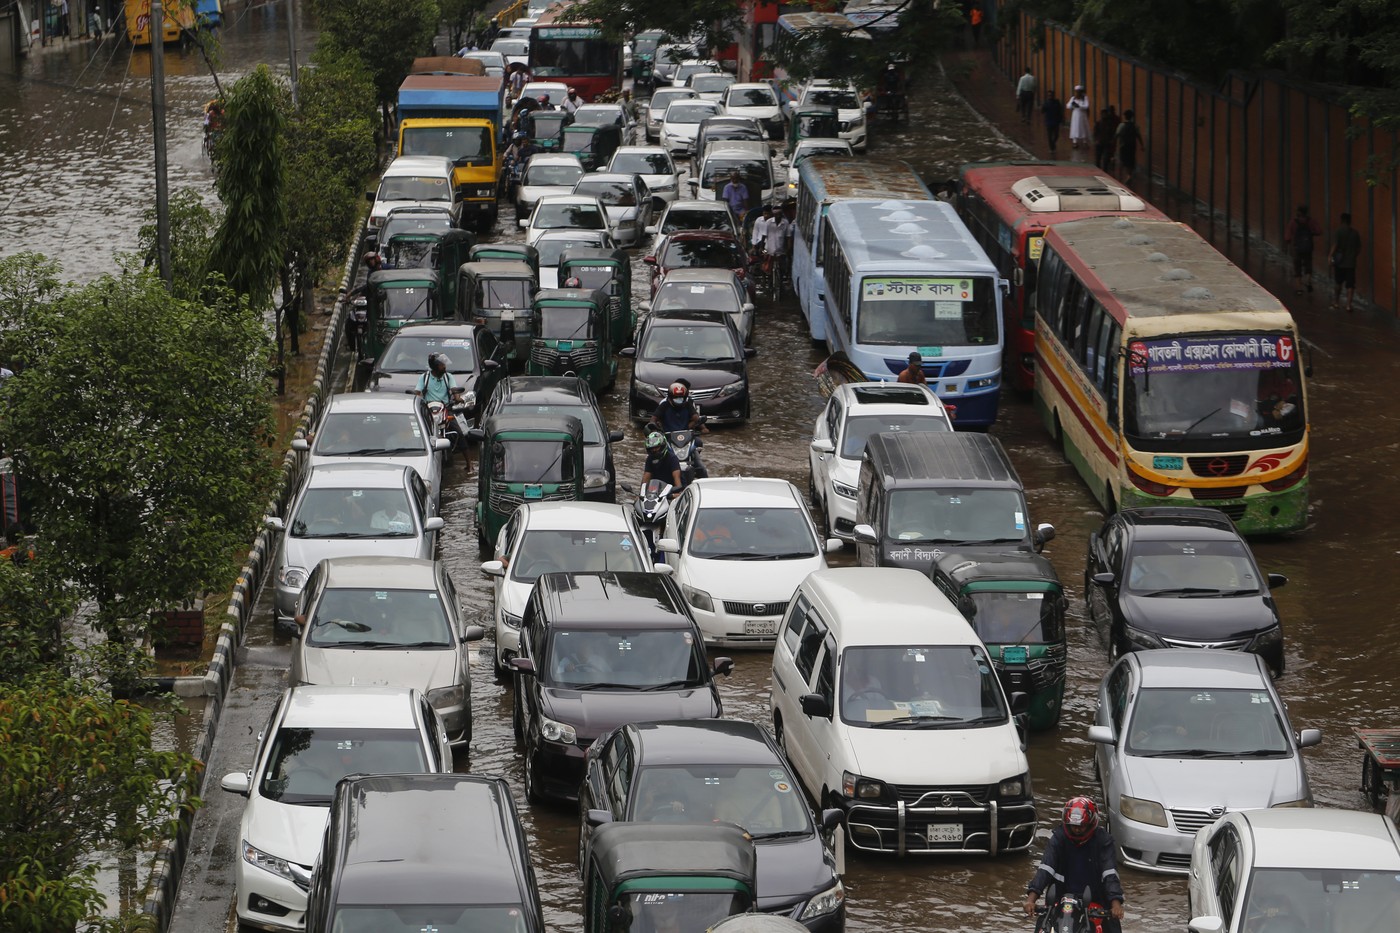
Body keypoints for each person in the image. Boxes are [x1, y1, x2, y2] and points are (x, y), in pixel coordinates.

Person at [1023, 797, 1125, 932]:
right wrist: (1031, 900)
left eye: (1081, 826)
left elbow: (1110, 874)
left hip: (1096, 902)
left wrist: (1116, 905)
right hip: (1061, 899)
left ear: (1090, 823)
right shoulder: (1059, 838)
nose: (1077, 830)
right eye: (1073, 826)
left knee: (1112, 927)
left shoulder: (1103, 841)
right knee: (1043, 926)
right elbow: (1045, 869)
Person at [648, 382, 708, 479]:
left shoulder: (688, 404)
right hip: (668, 438)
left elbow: (695, 417)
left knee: (699, 450)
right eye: (676, 397)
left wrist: (693, 425)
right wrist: (654, 426)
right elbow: (654, 418)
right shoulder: (664, 405)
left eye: (681, 397)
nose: (679, 400)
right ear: (670, 397)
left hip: (686, 438)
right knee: (656, 456)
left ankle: (704, 484)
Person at [1283, 204, 1321, 296]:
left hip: (1297, 248)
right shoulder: (1310, 221)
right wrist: (1311, 233)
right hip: (1308, 248)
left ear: (1298, 212)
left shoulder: (1293, 222)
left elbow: (1287, 237)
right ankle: (1308, 280)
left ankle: (1299, 289)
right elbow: (1319, 231)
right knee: (1308, 266)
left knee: (1297, 268)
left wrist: (1287, 244)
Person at [1329, 211, 1362, 312]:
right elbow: (1359, 248)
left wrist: (1330, 256)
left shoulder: (1339, 231)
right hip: (1351, 263)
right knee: (1350, 285)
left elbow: (1335, 245)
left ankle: (1336, 302)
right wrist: (1353, 256)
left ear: (1342, 220)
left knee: (1338, 283)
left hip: (1340, 263)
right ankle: (1348, 305)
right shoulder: (1355, 233)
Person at [1114, 108, 1144, 182]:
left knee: (1122, 160)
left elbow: (1116, 135)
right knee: (1130, 160)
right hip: (1132, 146)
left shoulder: (1121, 125)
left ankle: (1120, 176)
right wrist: (1142, 145)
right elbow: (1138, 136)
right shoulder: (1135, 126)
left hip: (1123, 146)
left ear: (1125, 116)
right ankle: (1129, 175)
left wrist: (1114, 144)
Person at [1066, 85, 1092, 150]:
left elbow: (1086, 106)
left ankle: (1085, 141)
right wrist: (1072, 105)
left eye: (1079, 92)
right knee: (1075, 128)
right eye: (1076, 92)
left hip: (1082, 115)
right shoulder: (1073, 98)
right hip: (1075, 115)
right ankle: (1075, 142)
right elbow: (1068, 105)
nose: (1077, 93)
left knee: (1083, 127)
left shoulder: (1084, 98)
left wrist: (1079, 106)